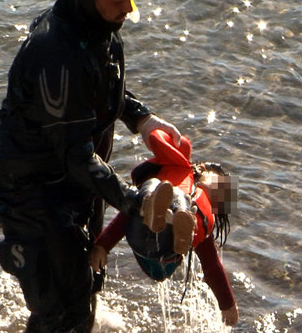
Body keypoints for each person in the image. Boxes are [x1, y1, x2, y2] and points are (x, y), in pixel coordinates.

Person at [0, 0, 185, 333]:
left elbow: (102, 89)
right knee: (62, 308)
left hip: (76, 182)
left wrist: (142, 120)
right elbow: (76, 154)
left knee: (88, 278)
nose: (129, 8)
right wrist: (131, 202)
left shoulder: (101, 28)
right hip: (29, 189)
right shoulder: (54, 55)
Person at [89, 129, 240, 326]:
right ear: (200, 170)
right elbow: (212, 268)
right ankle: (157, 213)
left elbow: (212, 267)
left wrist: (228, 304)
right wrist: (102, 246)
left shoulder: (202, 218)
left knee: (164, 193)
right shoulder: (186, 186)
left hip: (160, 248)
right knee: (157, 190)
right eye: (219, 186)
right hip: (153, 245)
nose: (219, 196)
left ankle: (168, 219)